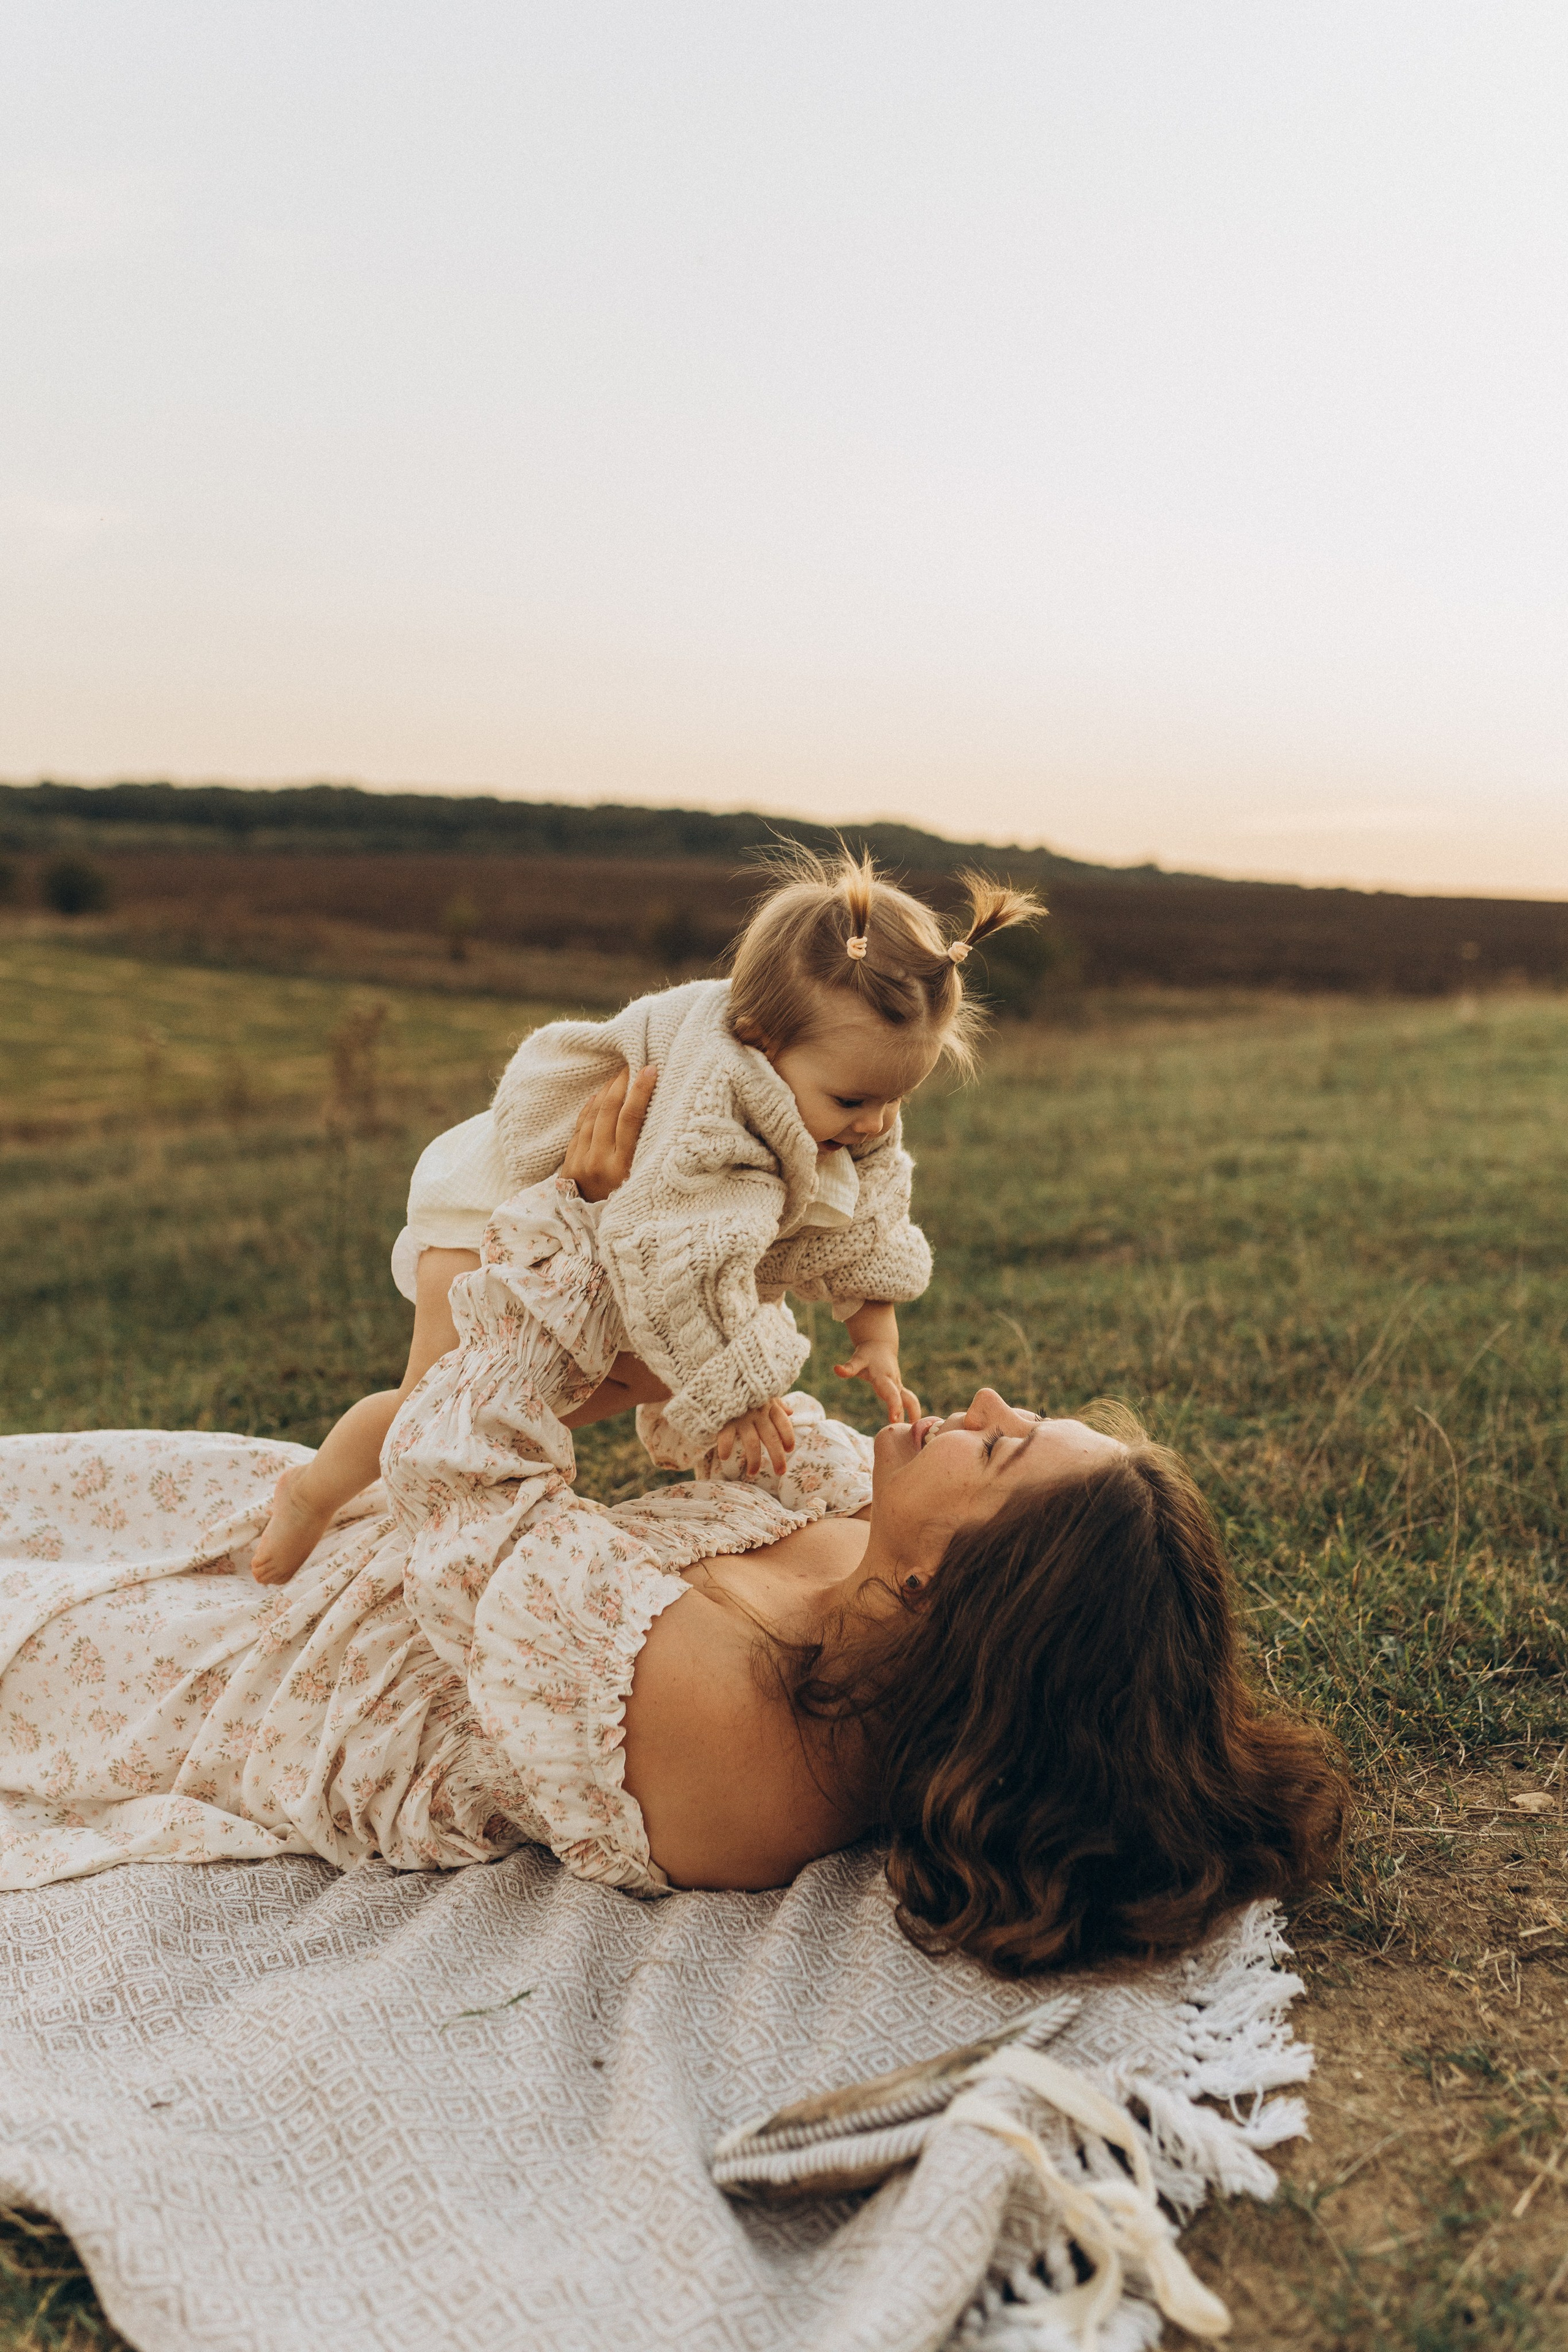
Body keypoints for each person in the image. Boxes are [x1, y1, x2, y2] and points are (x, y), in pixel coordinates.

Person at [0, 1083, 1344, 1973]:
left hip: (296, 1682)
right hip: (351, 1540)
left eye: (998, 1445)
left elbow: (468, 1493)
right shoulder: (855, 1537)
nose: (982, 1395)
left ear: (956, 1582)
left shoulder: (749, 1755)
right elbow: (706, 1424)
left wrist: (575, 1236)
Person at [249, 846, 1042, 1584]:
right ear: (761, 1042)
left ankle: (440, 1493)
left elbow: (873, 1209)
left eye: (896, 1098)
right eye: (854, 1101)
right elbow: (680, 1255)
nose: (873, 1122)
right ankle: (314, 1491)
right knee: (437, 1409)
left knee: (591, 1394)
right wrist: (738, 1390)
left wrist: (877, 1338)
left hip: (613, 1235)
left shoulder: (838, 1086)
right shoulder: (713, 1104)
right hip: (499, 1214)